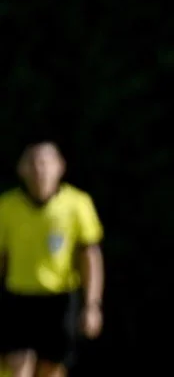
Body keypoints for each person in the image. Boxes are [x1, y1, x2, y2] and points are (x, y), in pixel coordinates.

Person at [0, 143, 104, 377]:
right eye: (32, 162)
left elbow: (90, 256)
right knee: (17, 365)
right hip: (18, 297)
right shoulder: (6, 207)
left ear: (60, 167)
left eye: (46, 162)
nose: (40, 169)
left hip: (60, 299)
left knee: (52, 370)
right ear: (21, 169)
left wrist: (92, 304)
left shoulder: (77, 204)